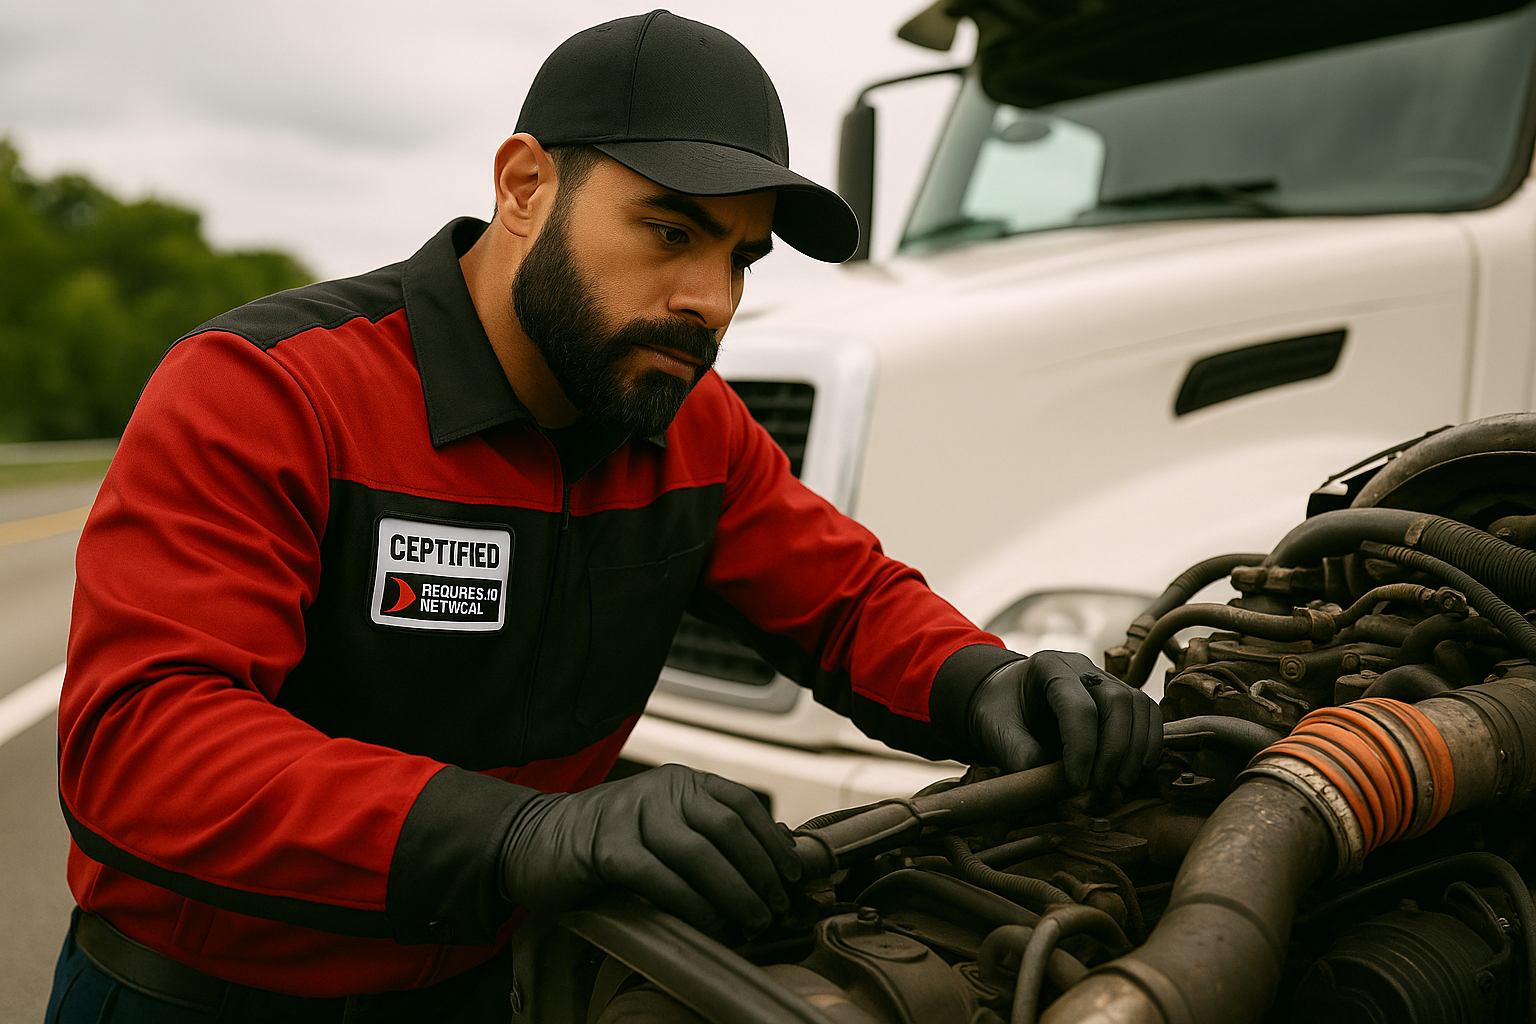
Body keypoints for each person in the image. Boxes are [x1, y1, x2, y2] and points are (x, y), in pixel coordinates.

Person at [46, 10, 1162, 1022]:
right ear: (525, 185)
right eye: (670, 232)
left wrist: (990, 681)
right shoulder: (269, 390)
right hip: (200, 998)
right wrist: (523, 832)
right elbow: (143, 745)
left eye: (739, 255)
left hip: (493, 986)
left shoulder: (692, 425)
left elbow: (847, 605)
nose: (712, 300)